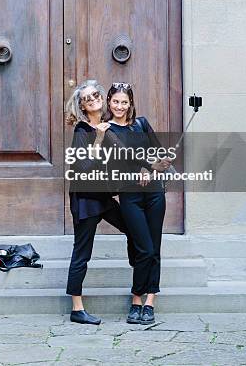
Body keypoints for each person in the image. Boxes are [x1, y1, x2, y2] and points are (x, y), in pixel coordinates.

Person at [65, 79, 136, 325]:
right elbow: (82, 166)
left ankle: (138, 284)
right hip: (85, 199)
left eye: (96, 94)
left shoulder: (108, 125)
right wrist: (98, 139)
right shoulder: (82, 131)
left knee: (133, 228)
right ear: (82, 107)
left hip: (103, 197)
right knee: (82, 252)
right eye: (87, 98)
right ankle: (77, 308)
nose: (93, 98)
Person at [104, 82, 171, 325]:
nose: (119, 106)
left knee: (154, 246)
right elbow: (114, 163)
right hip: (129, 194)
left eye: (124, 102)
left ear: (130, 104)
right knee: (141, 246)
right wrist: (140, 168)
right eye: (115, 101)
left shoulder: (141, 124)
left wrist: (152, 170)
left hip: (154, 193)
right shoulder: (106, 130)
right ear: (109, 102)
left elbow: (160, 154)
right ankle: (136, 297)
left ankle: (149, 300)